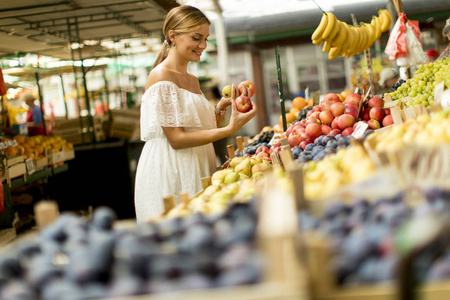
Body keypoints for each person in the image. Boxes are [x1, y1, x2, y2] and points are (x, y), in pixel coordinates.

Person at [134, 5, 257, 222]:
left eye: (206, 38)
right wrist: (230, 129)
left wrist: (223, 106)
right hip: (172, 169)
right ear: (173, 36)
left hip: (197, 162)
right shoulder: (160, 76)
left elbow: (200, 127)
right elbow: (177, 139)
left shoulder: (192, 79)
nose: (203, 45)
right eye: (196, 38)